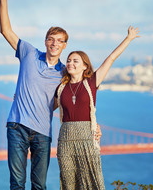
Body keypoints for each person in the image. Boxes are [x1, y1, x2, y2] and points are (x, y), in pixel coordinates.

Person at [0, 0, 101, 190]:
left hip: (43, 133)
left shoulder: (65, 72)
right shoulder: (28, 52)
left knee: (40, 185)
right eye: (51, 39)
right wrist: (3, 0)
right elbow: (6, 31)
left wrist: (94, 125)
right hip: (17, 126)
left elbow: (78, 97)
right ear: (45, 41)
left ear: (65, 46)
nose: (54, 44)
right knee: (17, 183)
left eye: (60, 41)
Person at [55, 26, 140, 190]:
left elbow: (111, 58)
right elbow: (45, 106)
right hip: (65, 141)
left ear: (85, 66)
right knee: (68, 184)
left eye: (75, 61)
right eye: (68, 60)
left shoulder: (91, 82)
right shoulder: (61, 88)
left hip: (87, 137)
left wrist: (128, 38)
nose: (70, 63)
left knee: (92, 182)